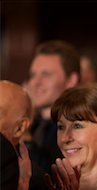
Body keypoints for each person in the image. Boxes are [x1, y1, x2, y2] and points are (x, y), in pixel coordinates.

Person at [26, 40, 80, 171]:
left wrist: (25, 137)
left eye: (46, 74)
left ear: (71, 80)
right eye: (33, 75)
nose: (35, 82)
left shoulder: (78, 127)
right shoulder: (33, 123)